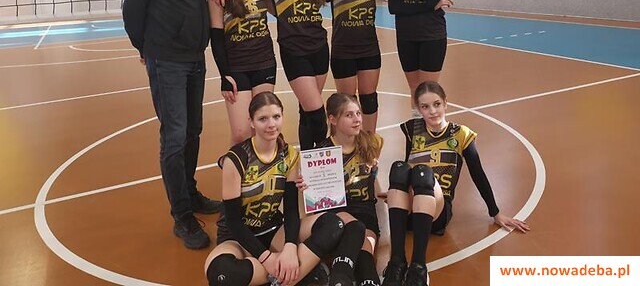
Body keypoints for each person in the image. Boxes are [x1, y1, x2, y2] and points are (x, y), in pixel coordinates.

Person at [122, 0, 221, 250]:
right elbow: (133, 8)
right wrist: (145, 48)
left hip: (195, 57)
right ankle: (181, 215)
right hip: (167, 60)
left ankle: (190, 194)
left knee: (193, 130)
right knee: (175, 135)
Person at [381, 81, 529, 286]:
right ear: (418, 109)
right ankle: (396, 263)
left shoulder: (461, 134)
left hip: (437, 210)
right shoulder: (413, 129)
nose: (432, 111)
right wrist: (396, 189)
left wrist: (495, 212)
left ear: (445, 103)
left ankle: (418, 268)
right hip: (410, 212)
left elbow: (478, 174)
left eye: (436, 104)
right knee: (399, 168)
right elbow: (408, 163)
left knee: (423, 173)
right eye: (425, 106)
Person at [205, 92, 348, 286]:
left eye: (276, 116)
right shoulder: (236, 159)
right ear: (251, 122)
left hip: (273, 231)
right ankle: (297, 273)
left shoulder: (289, 155)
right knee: (221, 273)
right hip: (238, 238)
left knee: (333, 224)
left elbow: (290, 210)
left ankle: (279, 277)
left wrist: (290, 247)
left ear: (282, 116)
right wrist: (266, 258)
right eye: (263, 119)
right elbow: (233, 221)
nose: (271, 124)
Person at [212, 0, 329, 151]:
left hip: (314, 48)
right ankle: (320, 160)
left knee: (306, 110)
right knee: (314, 113)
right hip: (286, 52)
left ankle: (308, 162)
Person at [208, 0, 277, 144]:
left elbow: (280, 12)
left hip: (264, 63)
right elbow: (216, 37)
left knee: (262, 129)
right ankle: (236, 165)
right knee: (241, 133)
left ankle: (262, 165)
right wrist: (224, 75)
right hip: (236, 67)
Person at [316, 93, 385, 286]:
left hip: (365, 211)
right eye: (349, 115)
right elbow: (318, 200)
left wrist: (373, 170)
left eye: (358, 113)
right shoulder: (322, 152)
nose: (357, 119)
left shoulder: (372, 143)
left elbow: (372, 175)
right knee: (354, 235)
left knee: (366, 246)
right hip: (337, 213)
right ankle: (342, 278)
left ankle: (361, 280)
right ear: (332, 119)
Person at [327, 0, 389, 132]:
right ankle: (347, 143)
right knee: (346, 102)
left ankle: (369, 141)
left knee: (369, 98)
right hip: (342, 50)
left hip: (369, 48)